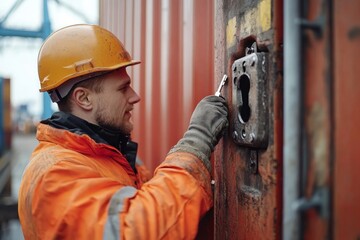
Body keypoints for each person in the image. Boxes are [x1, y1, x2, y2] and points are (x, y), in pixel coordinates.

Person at [18, 24, 228, 240]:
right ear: (84, 98)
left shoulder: (108, 157)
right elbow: (138, 231)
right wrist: (196, 142)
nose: (135, 96)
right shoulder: (53, 176)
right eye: (122, 88)